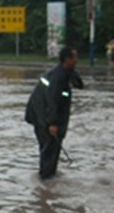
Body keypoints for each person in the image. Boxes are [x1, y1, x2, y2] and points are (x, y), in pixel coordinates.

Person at [24, 46, 81, 180]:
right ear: (67, 59)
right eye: (75, 58)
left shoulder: (65, 72)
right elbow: (52, 101)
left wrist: (72, 73)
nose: (77, 60)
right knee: (49, 146)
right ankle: (45, 178)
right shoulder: (57, 76)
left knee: (55, 145)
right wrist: (52, 123)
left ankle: (51, 174)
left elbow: (79, 85)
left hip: (47, 113)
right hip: (41, 115)